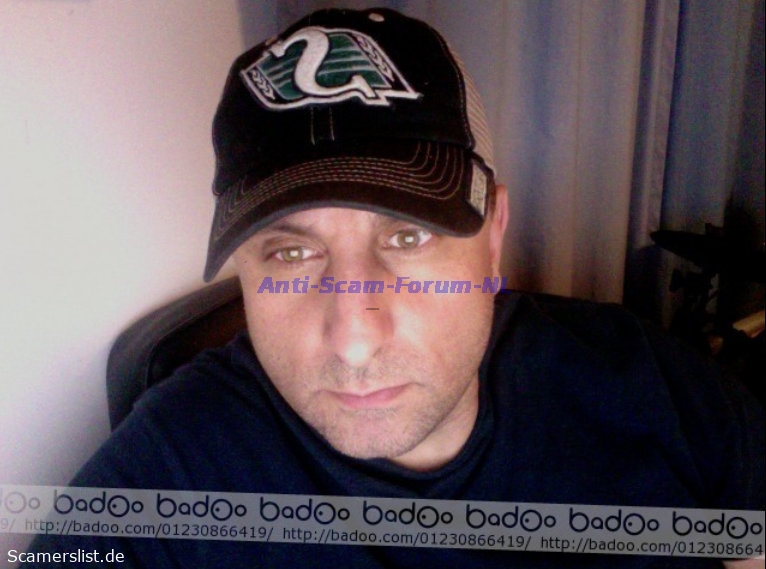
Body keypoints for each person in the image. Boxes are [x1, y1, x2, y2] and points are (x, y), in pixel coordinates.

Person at [24, 8, 763, 568]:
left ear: (494, 234)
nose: (353, 338)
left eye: (407, 237)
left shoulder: (650, 387)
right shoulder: (173, 475)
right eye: (289, 252)